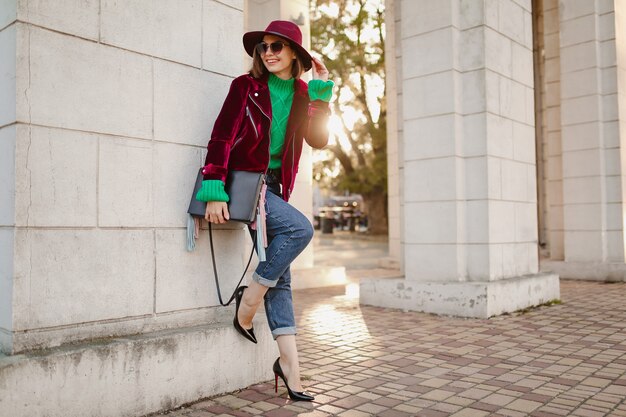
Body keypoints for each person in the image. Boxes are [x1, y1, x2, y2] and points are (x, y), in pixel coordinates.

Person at [196, 20, 333, 401]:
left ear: (295, 55)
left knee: (282, 277)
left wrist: (321, 96)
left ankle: (289, 366)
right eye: (264, 47)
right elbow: (222, 136)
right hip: (247, 185)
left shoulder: (304, 93)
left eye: (277, 47)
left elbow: (318, 140)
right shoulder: (245, 87)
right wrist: (213, 188)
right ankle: (250, 299)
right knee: (300, 230)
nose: (268, 52)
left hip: (276, 188)